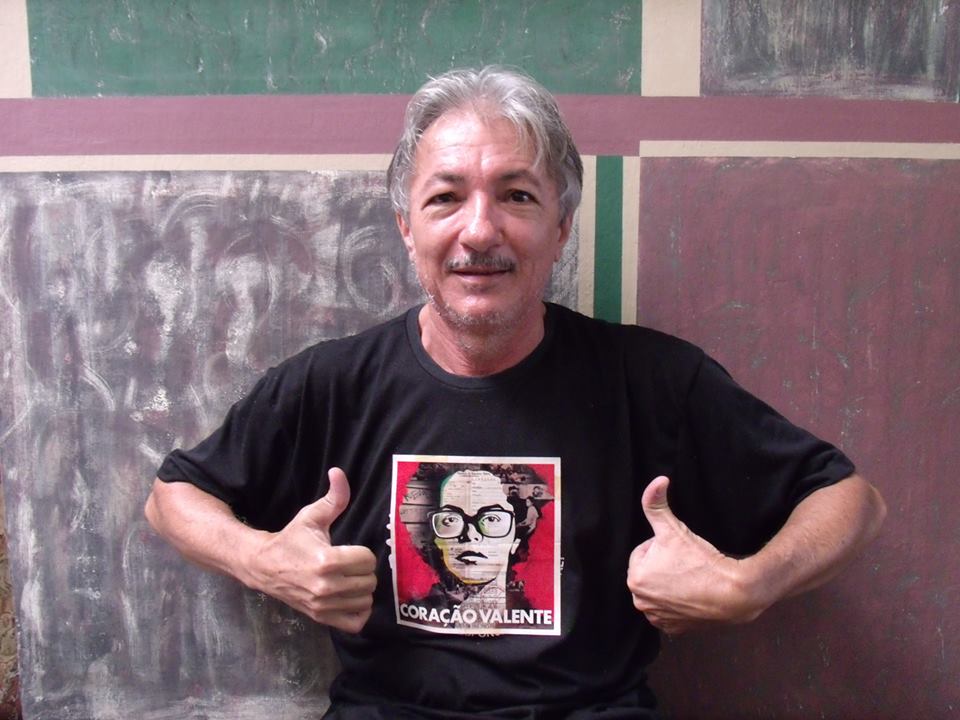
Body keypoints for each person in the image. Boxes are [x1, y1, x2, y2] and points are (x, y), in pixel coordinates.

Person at [145, 65, 886, 718]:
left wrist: (750, 585)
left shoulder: (654, 380)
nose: (479, 231)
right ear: (405, 226)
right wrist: (263, 561)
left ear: (561, 226)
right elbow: (173, 496)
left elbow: (850, 498)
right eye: (445, 198)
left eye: (517, 196)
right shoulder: (334, 384)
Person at [395, 462, 556, 634]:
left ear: (514, 540)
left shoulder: (537, 612)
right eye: (451, 519)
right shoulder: (418, 606)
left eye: (491, 519)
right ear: (437, 540)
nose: (471, 535)